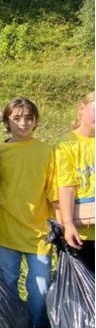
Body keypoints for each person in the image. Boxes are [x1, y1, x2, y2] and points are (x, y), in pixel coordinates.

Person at [0, 97, 58, 328]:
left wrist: (61, 222)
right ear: (7, 122)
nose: (23, 123)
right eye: (17, 118)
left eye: (28, 118)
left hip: (39, 229)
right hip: (6, 226)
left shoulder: (47, 151)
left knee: (40, 287)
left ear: (36, 121)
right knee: (7, 282)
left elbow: (54, 190)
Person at [56, 91, 95, 272]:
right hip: (82, 230)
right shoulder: (66, 145)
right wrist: (68, 223)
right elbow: (66, 187)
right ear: (81, 108)